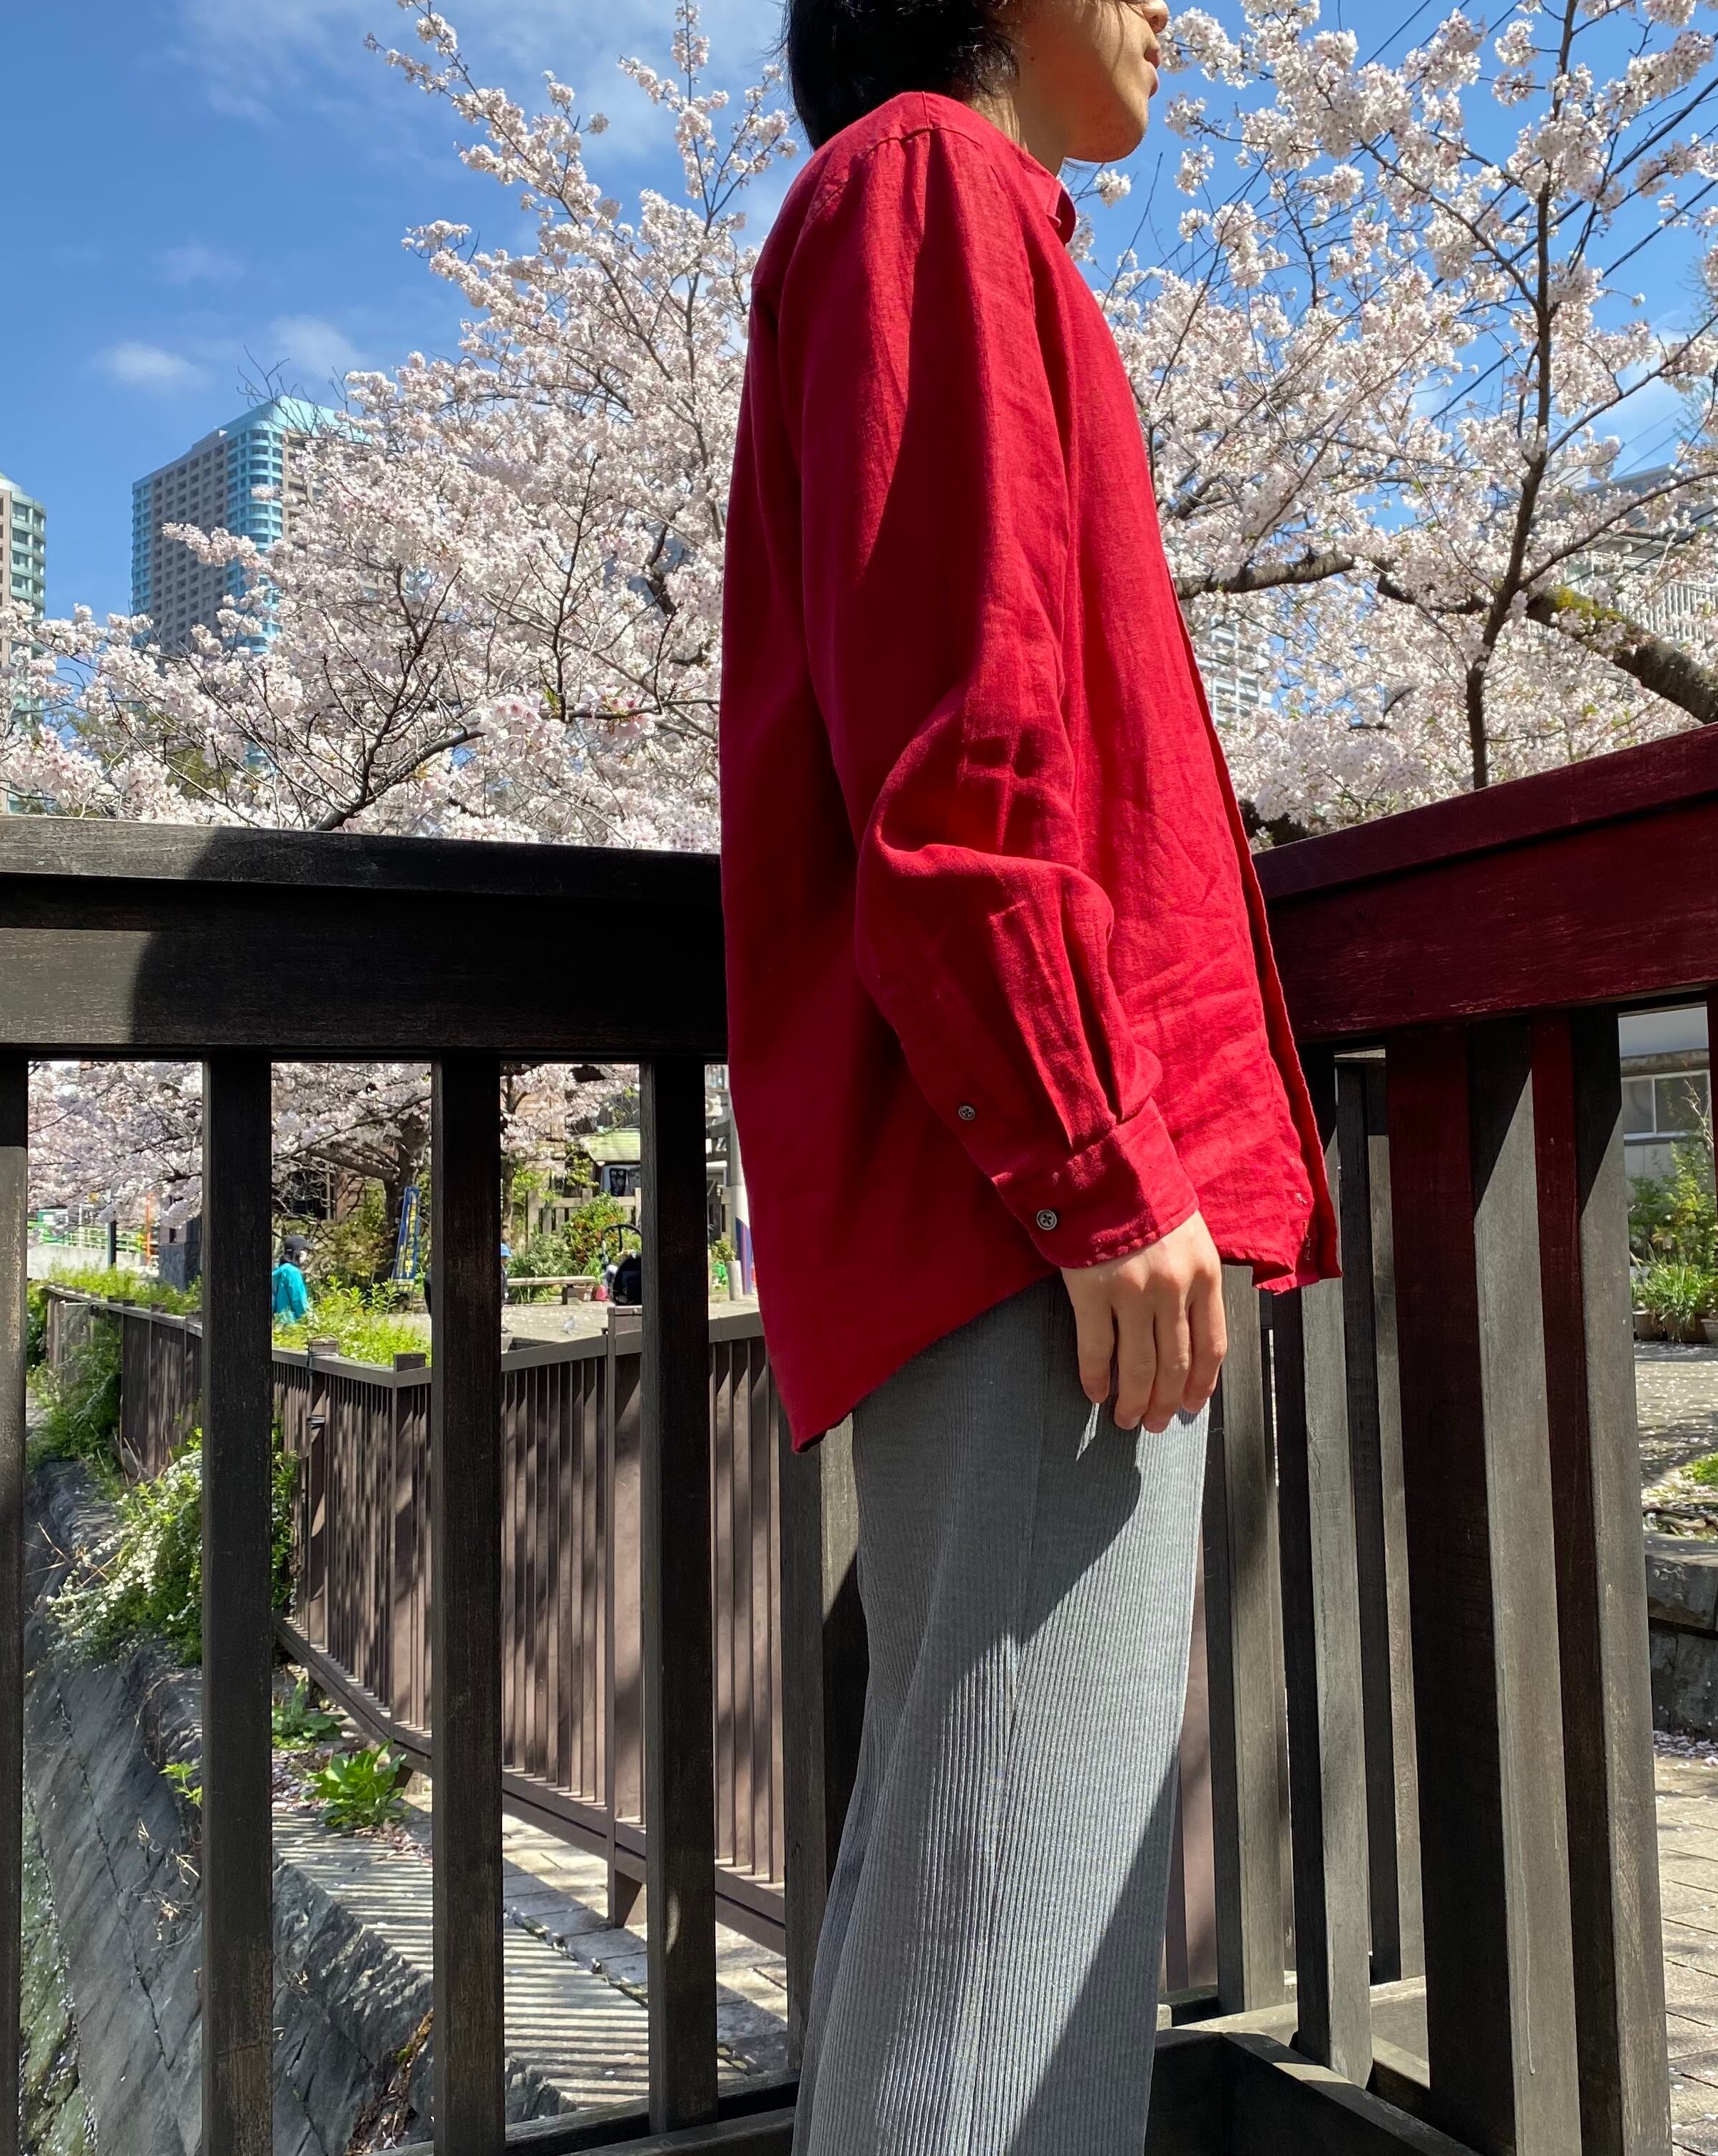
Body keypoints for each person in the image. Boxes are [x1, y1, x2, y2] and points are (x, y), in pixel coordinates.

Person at [717, 0, 1339, 2148]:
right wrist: (1096, 1163)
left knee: (959, 1924)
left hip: (1018, 1207)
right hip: (1038, 1222)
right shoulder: (930, 183)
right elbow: (960, 753)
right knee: (1004, 1986)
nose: (1183, 12)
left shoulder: (938, 208)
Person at [271, 1236, 312, 1324]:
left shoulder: (279, 1270)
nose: (307, 1256)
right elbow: (299, 1301)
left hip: (278, 1323)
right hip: (292, 1324)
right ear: (299, 1253)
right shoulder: (293, 1272)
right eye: (306, 1252)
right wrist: (311, 1322)